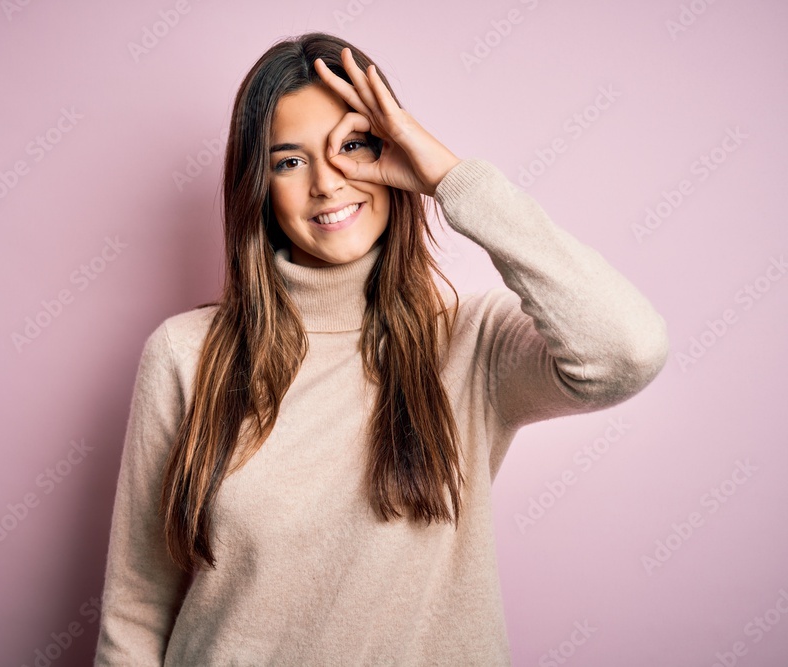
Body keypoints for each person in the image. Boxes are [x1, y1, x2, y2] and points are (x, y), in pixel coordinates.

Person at [93, 31, 669, 666]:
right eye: (289, 161)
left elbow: (627, 352)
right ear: (258, 187)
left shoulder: (470, 343)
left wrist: (450, 178)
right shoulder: (185, 353)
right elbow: (137, 609)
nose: (326, 182)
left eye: (353, 146)